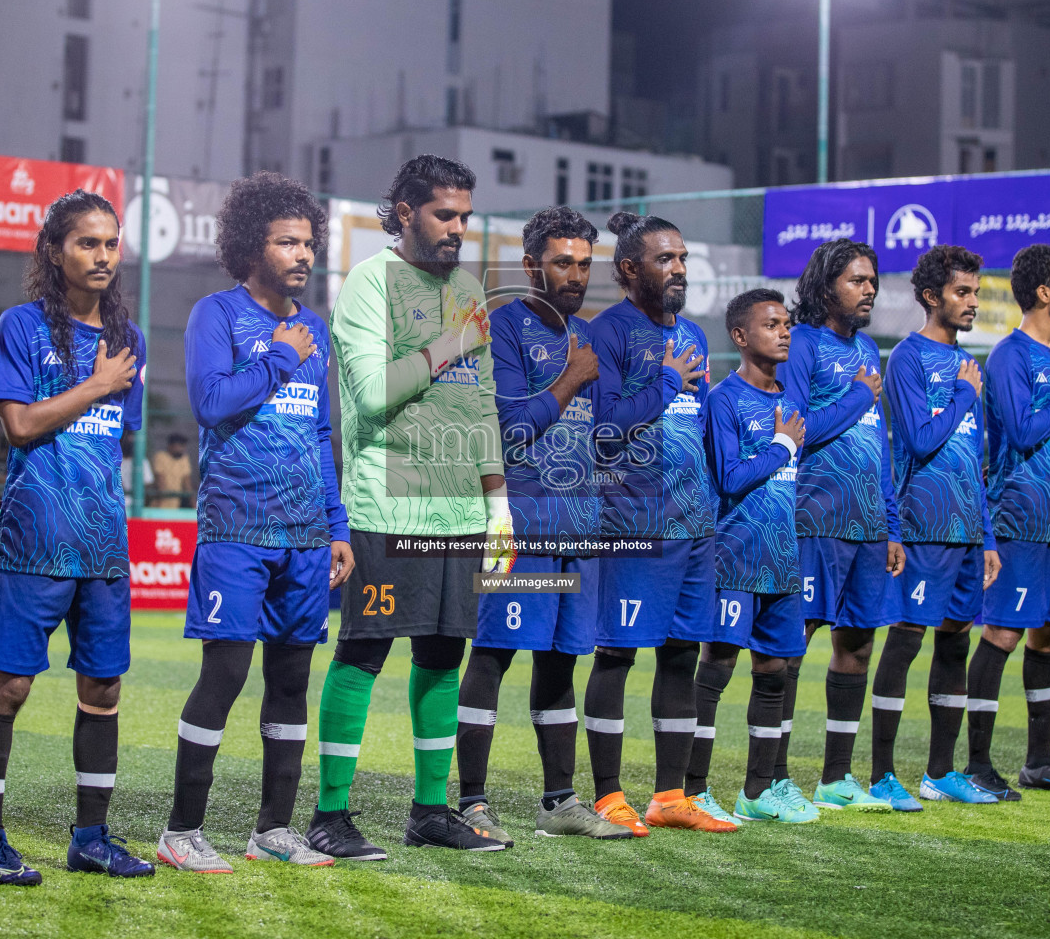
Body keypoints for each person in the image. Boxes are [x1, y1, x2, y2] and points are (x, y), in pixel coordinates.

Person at [309, 155, 512, 860]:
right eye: (444, 215)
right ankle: (330, 815)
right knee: (364, 652)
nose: (458, 228)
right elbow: (369, 394)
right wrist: (454, 342)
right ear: (403, 213)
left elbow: (480, 402)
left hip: (459, 511)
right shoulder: (370, 282)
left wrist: (499, 502)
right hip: (389, 505)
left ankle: (430, 810)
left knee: (443, 657)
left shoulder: (467, 286)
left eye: (465, 216)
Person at [156, 172, 354, 872]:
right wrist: (280, 356)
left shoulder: (318, 328)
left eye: (307, 241)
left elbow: (323, 433)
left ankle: (273, 830)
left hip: (305, 536)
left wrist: (337, 525)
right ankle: (182, 831)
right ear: (250, 245)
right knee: (226, 675)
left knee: (291, 683)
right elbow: (212, 403)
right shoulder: (217, 314)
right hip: (237, 529)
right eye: (285, 241)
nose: (302, 254)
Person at [0, 190, 153, 884]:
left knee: (103, 690)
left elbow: (113, 441)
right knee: (8, 688)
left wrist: (109, 381)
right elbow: (17, 427)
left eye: (110, 243)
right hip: (35, 543)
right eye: (87, 243)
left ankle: (92, 838)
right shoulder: (20, 326)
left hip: (103, 546)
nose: (102, 255)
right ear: (54, 251)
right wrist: (96, 384)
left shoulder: (128, 339)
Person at [453, 206, 632, 843]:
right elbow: (506, 428)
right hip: (518, 527)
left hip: (579, 531)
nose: (577, 275)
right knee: (494, 656)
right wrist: (572, 378)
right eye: (563, 262)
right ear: (531, 266)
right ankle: (470, 801)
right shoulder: (502, 328)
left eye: (585, 263)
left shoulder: (589, 335)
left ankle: (559, 803)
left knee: (561, 663)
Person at [581, 212, 734, 835]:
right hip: (633, 526)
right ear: (628, 270)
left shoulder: (695, 335)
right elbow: (605, 433)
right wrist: (667, 380)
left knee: (681, 656)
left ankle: (670, 796)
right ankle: (606, 796)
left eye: (682, 259)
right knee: (617, 655)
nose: (677, 269)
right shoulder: (606, 334)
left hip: (694, 528)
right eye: (665, 259)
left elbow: (695, 432)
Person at [872, 246, 1001, 807]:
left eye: (976, 292)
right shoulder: (908, 358)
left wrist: (989, 535)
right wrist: (964, 395)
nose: (973, 302)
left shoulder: (970, 362)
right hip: (924, 524)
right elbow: (921, 441)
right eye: (962, 292)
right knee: (904, 644)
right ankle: (881, 774)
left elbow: (978, 458)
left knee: (954, 647)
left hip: (968, 530)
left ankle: (940, 773)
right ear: (931, 297)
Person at [684, 288, 816, 824]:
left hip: (782, 560)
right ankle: (692, 790)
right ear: (740, 336)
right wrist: (782, 445)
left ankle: (758, 791)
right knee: (716, 668)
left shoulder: (792, 401)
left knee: (776, 672)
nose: (784, 331)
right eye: (771, 324)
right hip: (735, 557)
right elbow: (730, 478)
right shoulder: (725, 399)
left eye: (786, 323)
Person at [781, 238, 903, 812]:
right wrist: (858, 395)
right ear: (827, 286)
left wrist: (892, 523)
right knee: (791, 644)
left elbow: (879, 444)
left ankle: (835, 779)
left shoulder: (869, 352)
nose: (869, 289)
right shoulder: (802, 343)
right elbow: (797, 428)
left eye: (872, 281)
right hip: (816, 519)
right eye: (857, 280)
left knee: (856, 644)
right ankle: (770, 779)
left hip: (867, 525)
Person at [970, 243, 1050, 798]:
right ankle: (975, 765)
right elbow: (1020, 431)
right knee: (1003, 633)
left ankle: (1040, 763)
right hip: (1019, 518)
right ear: (1044, 293)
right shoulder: (1011, 355)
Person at [150, 433, 195, 509]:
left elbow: (187, 481)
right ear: (170, 446)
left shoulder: (184, 458)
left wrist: (193, 503)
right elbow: (160, 480)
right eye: (179, 446)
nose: (182, 449)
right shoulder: (161, 456)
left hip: (175, 504)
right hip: (159, 504)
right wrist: (161, 499)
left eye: (183, 446)